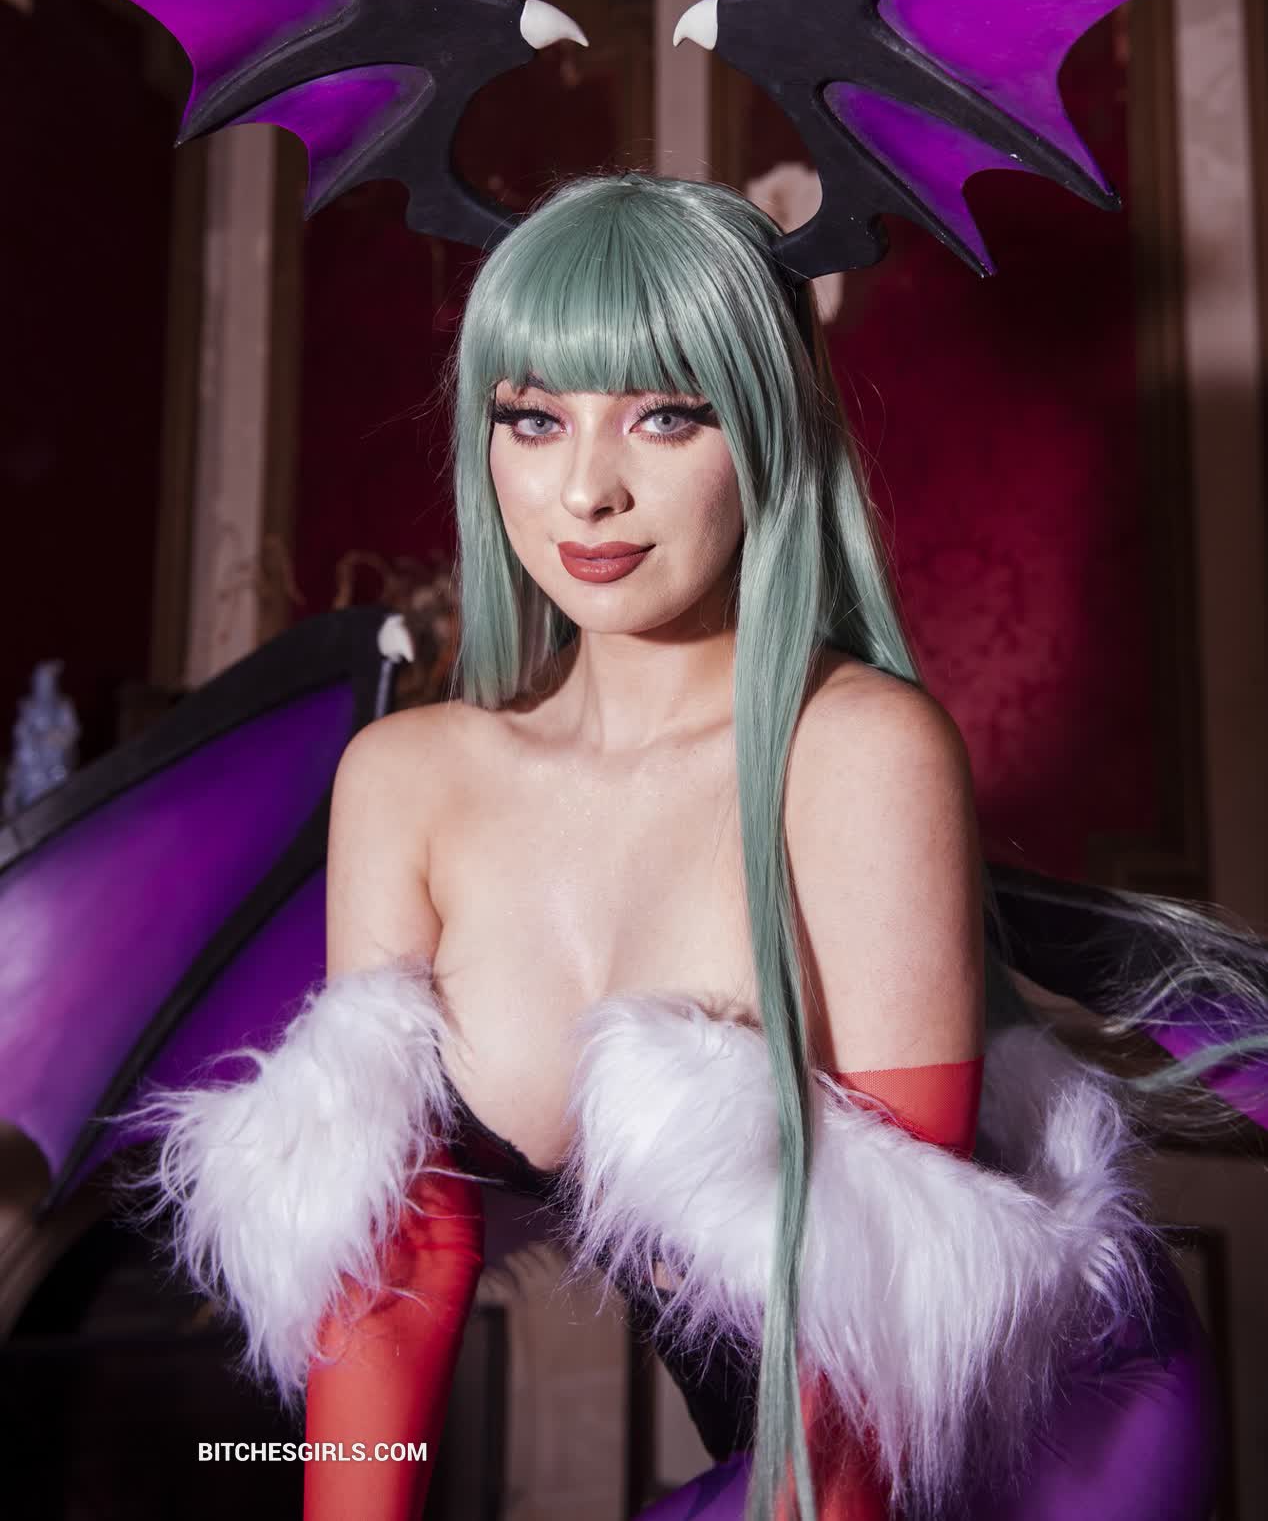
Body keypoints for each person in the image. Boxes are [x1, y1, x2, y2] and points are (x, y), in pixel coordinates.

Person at [146, 171, 1241, 1521]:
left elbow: (880, 1305)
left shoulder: (860, 754)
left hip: (1024, 1443)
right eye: (534, 418)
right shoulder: (405, 779)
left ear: (766, 429)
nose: (586, 489)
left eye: (666, 415)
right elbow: (396, 1254)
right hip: (776, 1440)